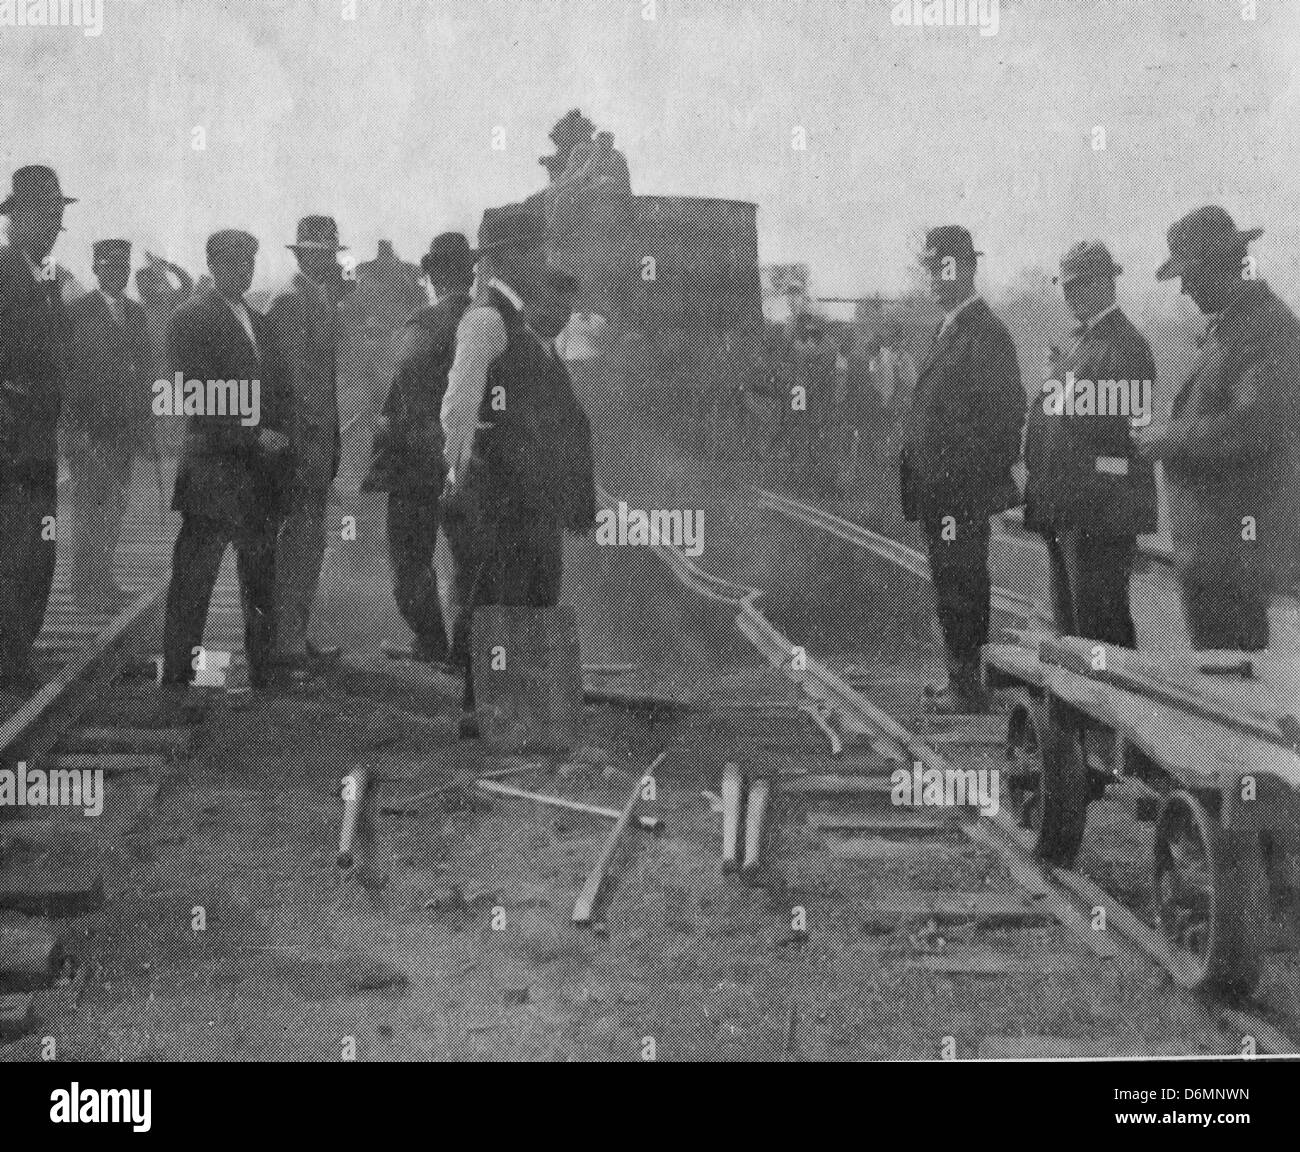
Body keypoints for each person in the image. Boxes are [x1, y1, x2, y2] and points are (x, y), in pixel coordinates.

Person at [1139, 206, 1300, 651]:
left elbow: (1251, 426)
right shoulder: (1229, 328)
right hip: (1213, 546)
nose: (1186, 288)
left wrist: (1167, 438)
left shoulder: (1264, 328)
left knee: (1234, 694)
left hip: (1238, 546)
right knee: (1221, 678)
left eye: (1192, 274)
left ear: (1223, 264)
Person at [440, 204, 569, 739]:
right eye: (531, 250)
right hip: (495, 486)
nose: (541, 259)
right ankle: (479, 706)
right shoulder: (487, 320)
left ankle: (512, 703)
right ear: (504, 259)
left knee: (529, 587)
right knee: (490, 589)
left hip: (525, 486)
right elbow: (456, 407)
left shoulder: (518, 322)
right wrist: (459, 473)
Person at [159, 230, 292, 696]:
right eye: (232, 263)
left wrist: (278, 439)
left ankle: (264, 676)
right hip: (213, 472)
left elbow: (278, 392)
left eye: (248, 263)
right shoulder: (189, 320)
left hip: (256, 478)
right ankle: (177, 679)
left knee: (259, 583)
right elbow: (192, 397)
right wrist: (256, 435)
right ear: (213, 265)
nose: (242, 271)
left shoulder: (262, 322)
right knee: (194, 584)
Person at [901, 226, 1025, 712]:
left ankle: (968, 687)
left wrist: (966, 481)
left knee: (962, 584)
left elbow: (1005, 416)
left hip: (959, 493)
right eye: (930, 268)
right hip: (941, 491)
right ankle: (962, 677)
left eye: (942, 268)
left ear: (968, 270)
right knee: (952, 583)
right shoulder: (951, 327)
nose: (933, 278)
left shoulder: (984, 333)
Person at [1023, 241, 1158, 647]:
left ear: (1106, 283)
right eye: (1066, 287)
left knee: (1099, 632)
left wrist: (1059, 387)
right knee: (1073, 633)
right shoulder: (1082, 343)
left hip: (1098, 509)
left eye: (1079, 285)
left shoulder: (1126, 345)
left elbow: (1123, 418)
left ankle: (1112, 708)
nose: (1069, 295)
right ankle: (1079, 710)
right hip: (1067, 504)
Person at [363, 232, 477, 666]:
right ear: (468, 273)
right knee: (469, 558)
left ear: (432, 275)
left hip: (417, 460)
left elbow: (401, 388)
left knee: (411, 557)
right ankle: (466, 651)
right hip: (470, 457)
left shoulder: (423, 324)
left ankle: (431, 640)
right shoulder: (490, 321)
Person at [0, 166, 76, 696]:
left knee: (36, 545)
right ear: (17, 218)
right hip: (10, 437)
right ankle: (9, 656)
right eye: (46, 214)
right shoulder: (6, 272)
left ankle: (16, 650)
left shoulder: (44, 277)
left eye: (58, 216)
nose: (54, 225)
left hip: (36, 437)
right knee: (16, 546)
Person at [265, 217, 348, 680]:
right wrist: (298, 443)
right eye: (316, 254)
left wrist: (331, 439)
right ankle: (287, 638)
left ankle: (298, 631)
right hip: (298, 445)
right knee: (295, 539)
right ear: (300, 257)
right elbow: (289, 384)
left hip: (319, 443)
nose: (325, 261)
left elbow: (326, 381)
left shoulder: (320, 303)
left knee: (310, 540)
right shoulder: (290, 304)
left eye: (328, 253)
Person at [63, 239, 155, 612]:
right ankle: (85, 585)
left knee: (115, 505)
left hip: (124, 428)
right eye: (110, 265)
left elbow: (146, 367)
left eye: (123, 266)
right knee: (89, 506)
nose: (118, 271)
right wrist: (72, 427)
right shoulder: (76, 312)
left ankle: (104, 578)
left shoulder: (134, 313)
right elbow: (65, 372)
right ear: (97, 268)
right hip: (89, 429)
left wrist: (146, 417)